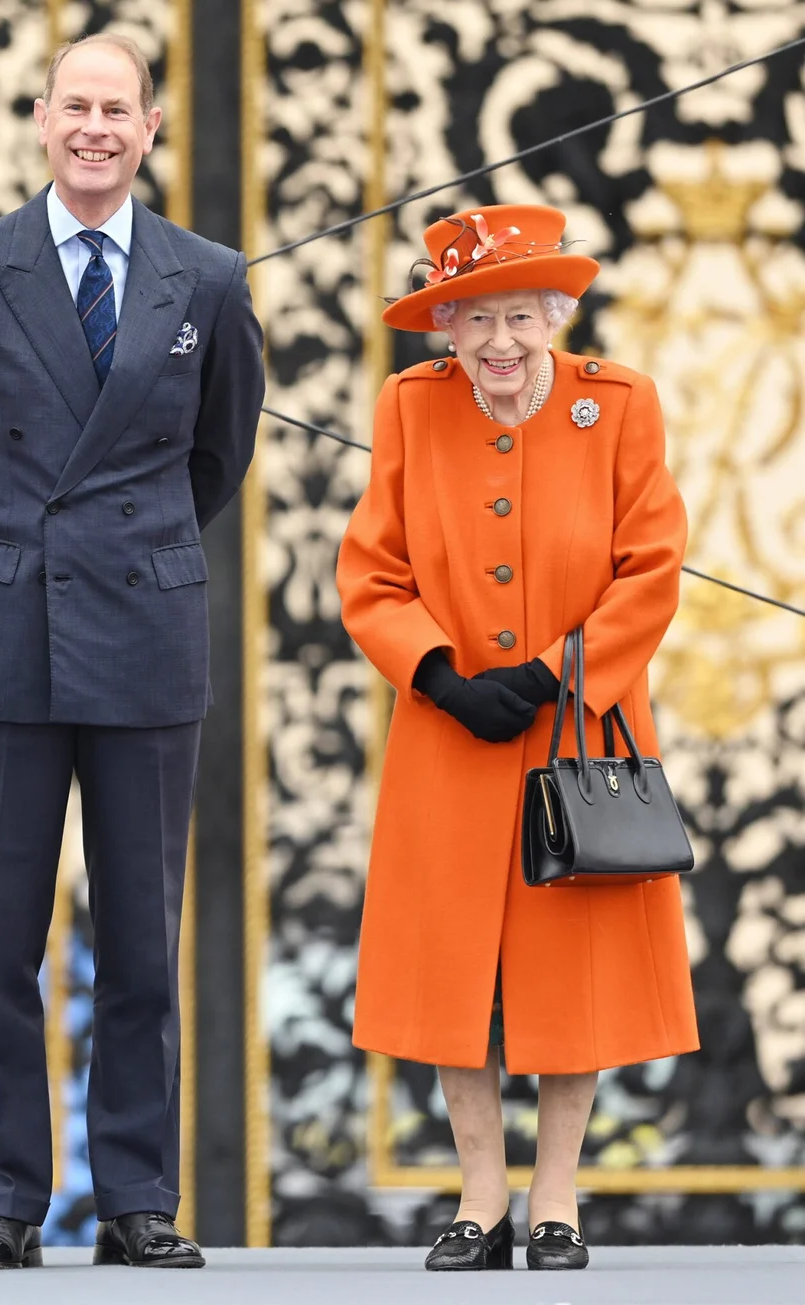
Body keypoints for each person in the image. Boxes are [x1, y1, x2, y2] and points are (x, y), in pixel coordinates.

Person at [0, 33, 264, 1269]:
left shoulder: (207, 278)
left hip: (146, 628)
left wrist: (129, 541)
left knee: (142, 942)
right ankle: (1, 1203)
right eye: (77, 107)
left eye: (119, 110)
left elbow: (219, 456)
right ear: (42, 119)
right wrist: (10, 544)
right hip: (6, 629)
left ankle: (136, 1200)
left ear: (150, 129)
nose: (97, 128)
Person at [336, 205, 698, 1271]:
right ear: (443, 325)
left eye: (520, 317)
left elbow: (651, 567)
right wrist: (438, 673)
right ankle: (480, 1193)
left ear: (555, 317)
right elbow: (372, 571)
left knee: (569, 961)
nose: (500, 342)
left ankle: (556, 1197)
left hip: (578, 724)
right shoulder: (410, 405)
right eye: (476, 318)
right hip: (450, 731)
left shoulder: (618, 403)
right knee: (451, 967)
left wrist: (553, 672)